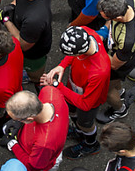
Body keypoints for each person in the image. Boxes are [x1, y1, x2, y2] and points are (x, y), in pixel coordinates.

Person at [42, 26, 111, 159]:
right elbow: (71, 56)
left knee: (85, 123)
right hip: (73, 89)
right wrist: (62, 65)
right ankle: (79, 132)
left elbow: (86, 104)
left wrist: (57, 86)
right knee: (72, 112)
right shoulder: (85, 32)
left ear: (79, 53)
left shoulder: (99, 71)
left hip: (88, 101)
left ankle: (91, 144)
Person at [4, 89, 69, 171]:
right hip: (52, 157)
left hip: (42, 167)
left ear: (29, 118)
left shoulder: (44, 143)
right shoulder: (49, 93)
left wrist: (13, 145)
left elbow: (32, 167)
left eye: (18, 120)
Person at [95, 0, 135, 122]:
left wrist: (95, 47)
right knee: (114, 83)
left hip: (121, 62)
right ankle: (119, 90)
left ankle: (119, 109)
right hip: (117, 52)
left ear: (118, 17)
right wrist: (104, 31)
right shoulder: (124, 0)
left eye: (104, 16)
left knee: (106, 89)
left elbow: (114, 65)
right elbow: (110, 20)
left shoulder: (129, 38)